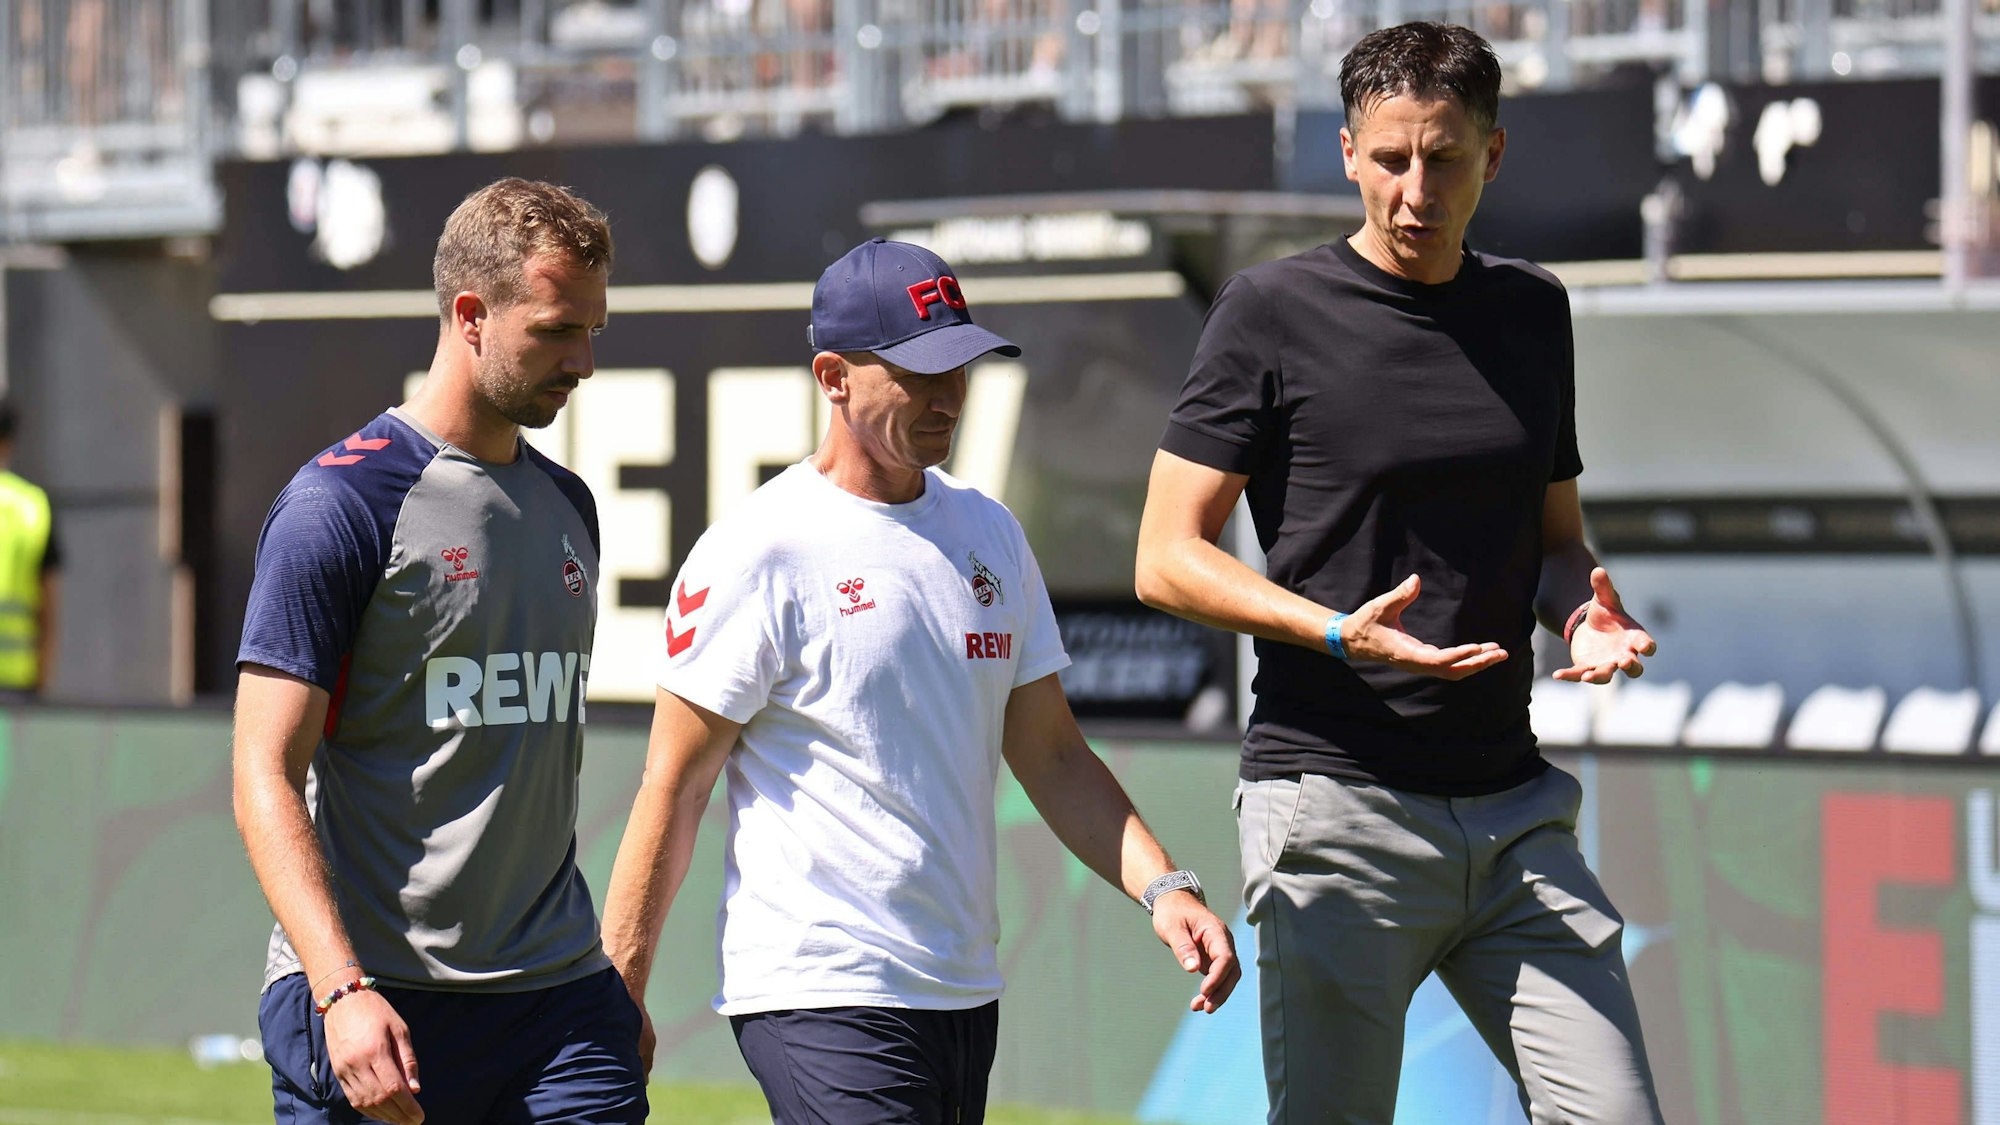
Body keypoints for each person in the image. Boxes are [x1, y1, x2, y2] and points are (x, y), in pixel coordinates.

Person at [1133, 22, 1665, 1125]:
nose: (1413, 189)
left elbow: (1557, 541)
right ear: (1345, 154)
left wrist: (1582, 617)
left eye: (1444, 158)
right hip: (1334, 809)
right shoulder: (1269, 312)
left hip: (1515, 818)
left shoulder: (1530, 311)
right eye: (1388, 159)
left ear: (1494, 155)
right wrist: (1333, 631)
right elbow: (1164, 558)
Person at [600, 237, 1240, 1124]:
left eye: (962, 366)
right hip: (820, 987)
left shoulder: (991, 534)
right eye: (919, 372)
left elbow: (1053, 756)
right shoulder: (761, 547)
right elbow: (673, 784)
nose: (949, 396)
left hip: (961, 988)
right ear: (834, 376)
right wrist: (617, 989)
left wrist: (1164, 886)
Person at [232, 178, 645, 1125]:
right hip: (374, 1001)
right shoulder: (340, 506)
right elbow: (263, 768)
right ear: (470, 314)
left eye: (594, 330)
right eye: (554, 329)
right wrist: (338, 989)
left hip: (560, 1007)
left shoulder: (568, 503)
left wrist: (606, 990)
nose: (583, 360)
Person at [0, 398, 61, 700]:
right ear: (8, 442)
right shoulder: (32, 507)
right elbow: (48, 606)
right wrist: (43, 678)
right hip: (18, 686)